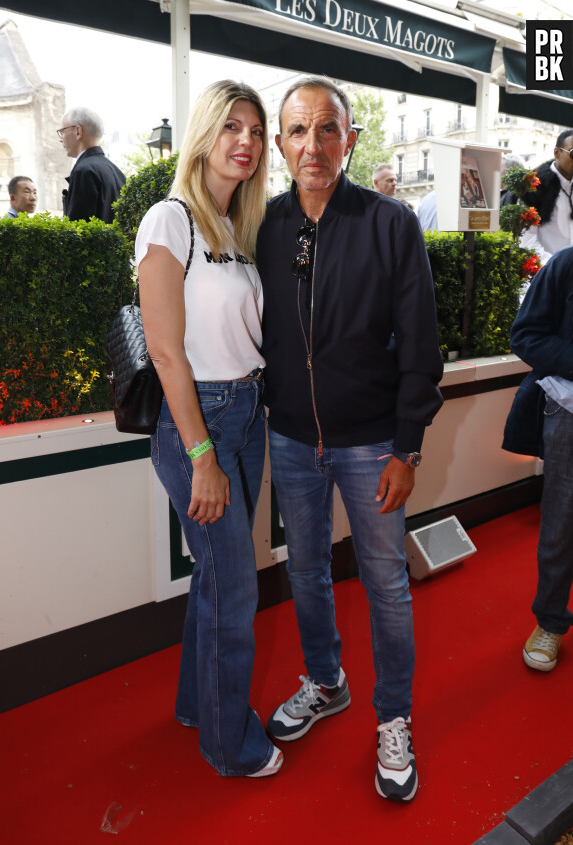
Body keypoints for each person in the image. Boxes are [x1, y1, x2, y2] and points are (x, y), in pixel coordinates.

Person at [256, 76, 443, 802]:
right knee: (305, 572)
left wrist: (408, 446)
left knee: (387, 587)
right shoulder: (265, 225)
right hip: (294, 442)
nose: (312, 145)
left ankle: (392, 714)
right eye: (297, 131)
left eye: (326, 129)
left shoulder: (391, 223)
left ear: (351, 139)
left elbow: (422, 344)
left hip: (374, 444)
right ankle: (325, 680)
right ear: (280, 144)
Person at [134, 80, 282, 778]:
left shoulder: (237, 229)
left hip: (247, 414)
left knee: (217, 578)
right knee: (235, 585)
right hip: (199, 421)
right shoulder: (170, 220)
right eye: (231, 126)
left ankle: (199, 705)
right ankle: (230, 744)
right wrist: (200, 454)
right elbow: (166, 350)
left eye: (255, 129)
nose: (246, 141)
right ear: (203, 135)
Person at [503, 246, 573, 672]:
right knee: (561, 525)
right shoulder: (565, 265)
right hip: (568, 414)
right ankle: (550, 621)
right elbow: (525, 334)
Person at [512, 129, 573, 265]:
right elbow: (526, 240)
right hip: (546, 274)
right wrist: (555, 267)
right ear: (557, 153)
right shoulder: (532, 187)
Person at [57, 106, 125, 223]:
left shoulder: (83, 170)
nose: (61, 139)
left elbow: (78, 230)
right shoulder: (117, 172)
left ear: (78, 131)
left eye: (62, 132)